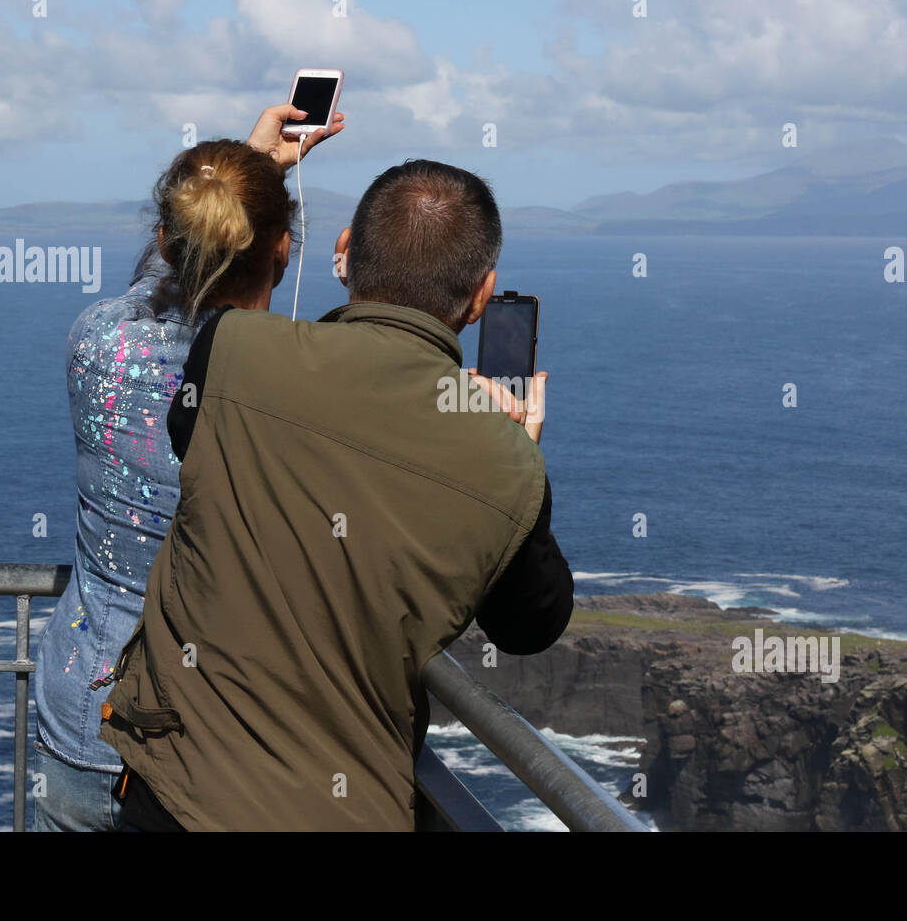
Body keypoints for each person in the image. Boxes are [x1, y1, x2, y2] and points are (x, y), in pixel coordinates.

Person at [99, 159, 573, 831]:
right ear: (481, 293)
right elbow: (532, 624)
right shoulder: (506, 461)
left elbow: (192, 439)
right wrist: (520, 451)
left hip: (174, 793)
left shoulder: (232, 346)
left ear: (346, 252)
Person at [31, 104, 344, 831]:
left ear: (165, 243)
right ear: (284, 251)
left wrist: (247, 174)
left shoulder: (99, 343)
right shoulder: (300, 389)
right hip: (212, 747)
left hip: (83, 714)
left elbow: (155, 295)